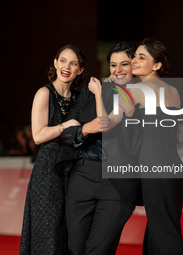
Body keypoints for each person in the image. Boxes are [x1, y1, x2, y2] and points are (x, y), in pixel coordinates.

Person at [88, 38, 183, 254]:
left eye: (141, 57)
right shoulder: (173, 91)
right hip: (174, 167)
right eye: (135, 56)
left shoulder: (135, 91)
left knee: (164, 235)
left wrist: (100, 92)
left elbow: (106, 123)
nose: (134, 61)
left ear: (157, 65)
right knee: (159, 230)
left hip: (153, 168)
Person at [55, 42, 138, 255]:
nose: (118, 70)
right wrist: (83, 130)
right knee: (76, 247)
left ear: (135, 65)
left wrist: (99, 95)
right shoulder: (90, 91)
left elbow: (106, 126)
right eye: (113, 65)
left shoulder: (140, 94)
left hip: (117, 180)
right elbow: (67, 131)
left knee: (99, 249)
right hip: (83, 175)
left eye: (124, 64)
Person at [19, 44, 86, 255]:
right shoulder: (44, 93)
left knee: (67, 233)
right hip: (48, 171)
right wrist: (65, 126)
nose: (67, 66)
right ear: (55, 63)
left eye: (73, 63)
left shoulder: (80, 98)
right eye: (63, 60)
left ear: (80, 70)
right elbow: (38, 136)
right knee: (47, 231)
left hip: (74, 171)